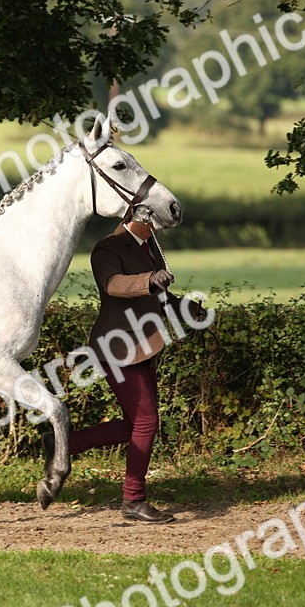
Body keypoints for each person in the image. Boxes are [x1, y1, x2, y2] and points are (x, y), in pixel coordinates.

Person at [51, 215, 206, 523]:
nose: (159, 225)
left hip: (145, 345)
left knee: (134, 425)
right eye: (154, 219)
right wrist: (148, 278)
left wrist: (185, 308)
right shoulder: (106, 249)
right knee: (146, 422)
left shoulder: (149, 247)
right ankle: (133, 500)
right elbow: (113, 285)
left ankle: (65, 444)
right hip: (117, 348)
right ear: (136, 217)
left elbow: (159, 296)